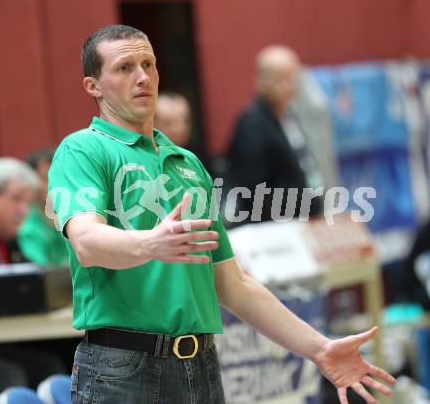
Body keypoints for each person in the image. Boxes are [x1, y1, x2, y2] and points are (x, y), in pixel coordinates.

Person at [48, 25, 395, 404]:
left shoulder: (188, 164)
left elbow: (233, 284)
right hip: (123, 368)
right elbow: (86, 242)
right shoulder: (82, 150)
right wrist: (151, 243)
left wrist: (318, 349)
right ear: (93, 86)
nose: (143, 76)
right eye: (125, 67)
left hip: (201, 364)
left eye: (148, 63)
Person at [0, 158, 65, 400]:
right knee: (9, 374)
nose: (23, 210)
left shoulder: (8, 240)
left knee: (54, 358)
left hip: (3, 338)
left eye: (28, 203)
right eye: (16, 199)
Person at [226, 46, 323, 224]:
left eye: (293, 78)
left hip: (301, 224)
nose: (291, 86)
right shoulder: (254, 124)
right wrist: (303, 205)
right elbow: (251, 193)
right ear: (261, 80)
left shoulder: (287, 116)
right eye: (282, 79)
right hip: (274, 232)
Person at [18, 149, 69, 267]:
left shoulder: (82, 216)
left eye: (62, 176)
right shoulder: (26, 227)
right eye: (47, 178)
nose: (57, 184)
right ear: (30, 183)